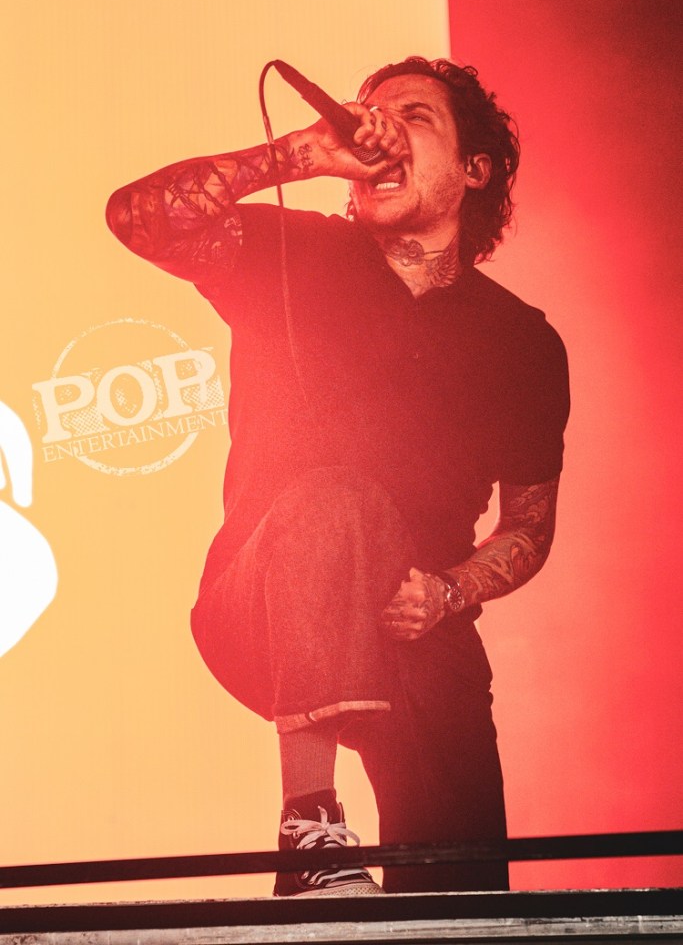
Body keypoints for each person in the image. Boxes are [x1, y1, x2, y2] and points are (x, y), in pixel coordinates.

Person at [106, 56, 569, 897]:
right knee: (336, 498)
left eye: (414, 117)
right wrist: (305, 153)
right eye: (366, 112)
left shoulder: (522, 342)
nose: (377, 128)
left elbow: (528, 527)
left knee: (463, 903)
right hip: (264, 597)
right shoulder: (293, 251)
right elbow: (137, 217)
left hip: (417, 625)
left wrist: (448, 592)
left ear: (474, 169)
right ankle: (309, 830)